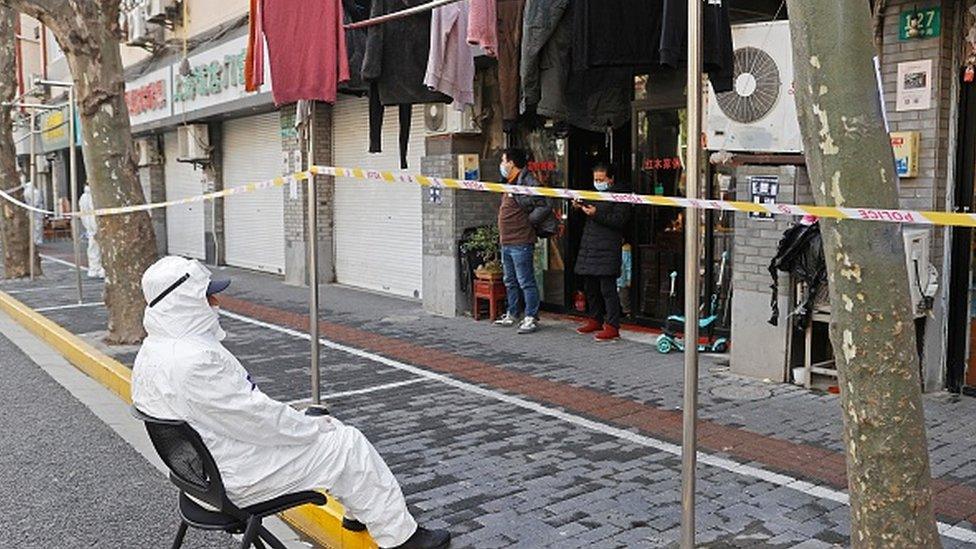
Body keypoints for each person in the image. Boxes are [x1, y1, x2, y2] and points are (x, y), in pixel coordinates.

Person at [131, 256, 450, 549]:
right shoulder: (193, 361)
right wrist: (310, 427)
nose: (216, 302)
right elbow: (258, 420)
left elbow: (242, 417)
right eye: (207, 296)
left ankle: (361, 510)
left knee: (330, 430)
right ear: (184, 303)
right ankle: (402, 538)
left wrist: (310, 426)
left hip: (200, 480)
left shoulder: (153, 351)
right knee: (347, 443)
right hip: (234, 481)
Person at [493, 148, 551, 334]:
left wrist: (529, 222)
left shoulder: (527, 181)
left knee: (525, 280)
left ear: (511, 163)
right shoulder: (508, 182)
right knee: (510, 280)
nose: (501, 165)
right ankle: (512, 313)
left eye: (503, 161)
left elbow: (544, 205)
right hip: (507, 241)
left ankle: (531, 316)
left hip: (521, 241)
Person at [573, 162, 632, 341]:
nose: (598, 182)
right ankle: (595, 318)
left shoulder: (621, 195)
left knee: (607, 288)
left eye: (601, 179)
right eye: (595, 179)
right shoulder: (593, 194)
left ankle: (613, 325)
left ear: (611, 179)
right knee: (590, 286)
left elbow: (619, 220)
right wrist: (579, 207)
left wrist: (596, 213)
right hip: (589, 246)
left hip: (607, 247)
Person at [78, 185, 104, 279]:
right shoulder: (97, 195)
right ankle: (100, 268)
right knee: (100, 247)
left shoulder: (83, 197)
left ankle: (94, 268)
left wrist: (88, 226)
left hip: (90, 226)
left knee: (92, 247)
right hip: (96, 225)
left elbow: (82, 214)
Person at [22, 177, 44, 245]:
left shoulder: (34, 192)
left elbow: (36, 202)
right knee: (34, 226)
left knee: (37, 225)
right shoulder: (27, 191)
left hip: (36, 211)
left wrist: (32, 207)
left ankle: (37, 240)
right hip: (32, 210)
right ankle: (35, 239)